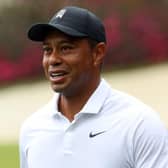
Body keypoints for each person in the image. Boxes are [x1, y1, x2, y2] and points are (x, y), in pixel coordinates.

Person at [19, 6, 168, 168]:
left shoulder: (140, 125)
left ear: (98, 53)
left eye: (66, 48)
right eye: (47, 50)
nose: (53, 59)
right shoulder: (31, 129)